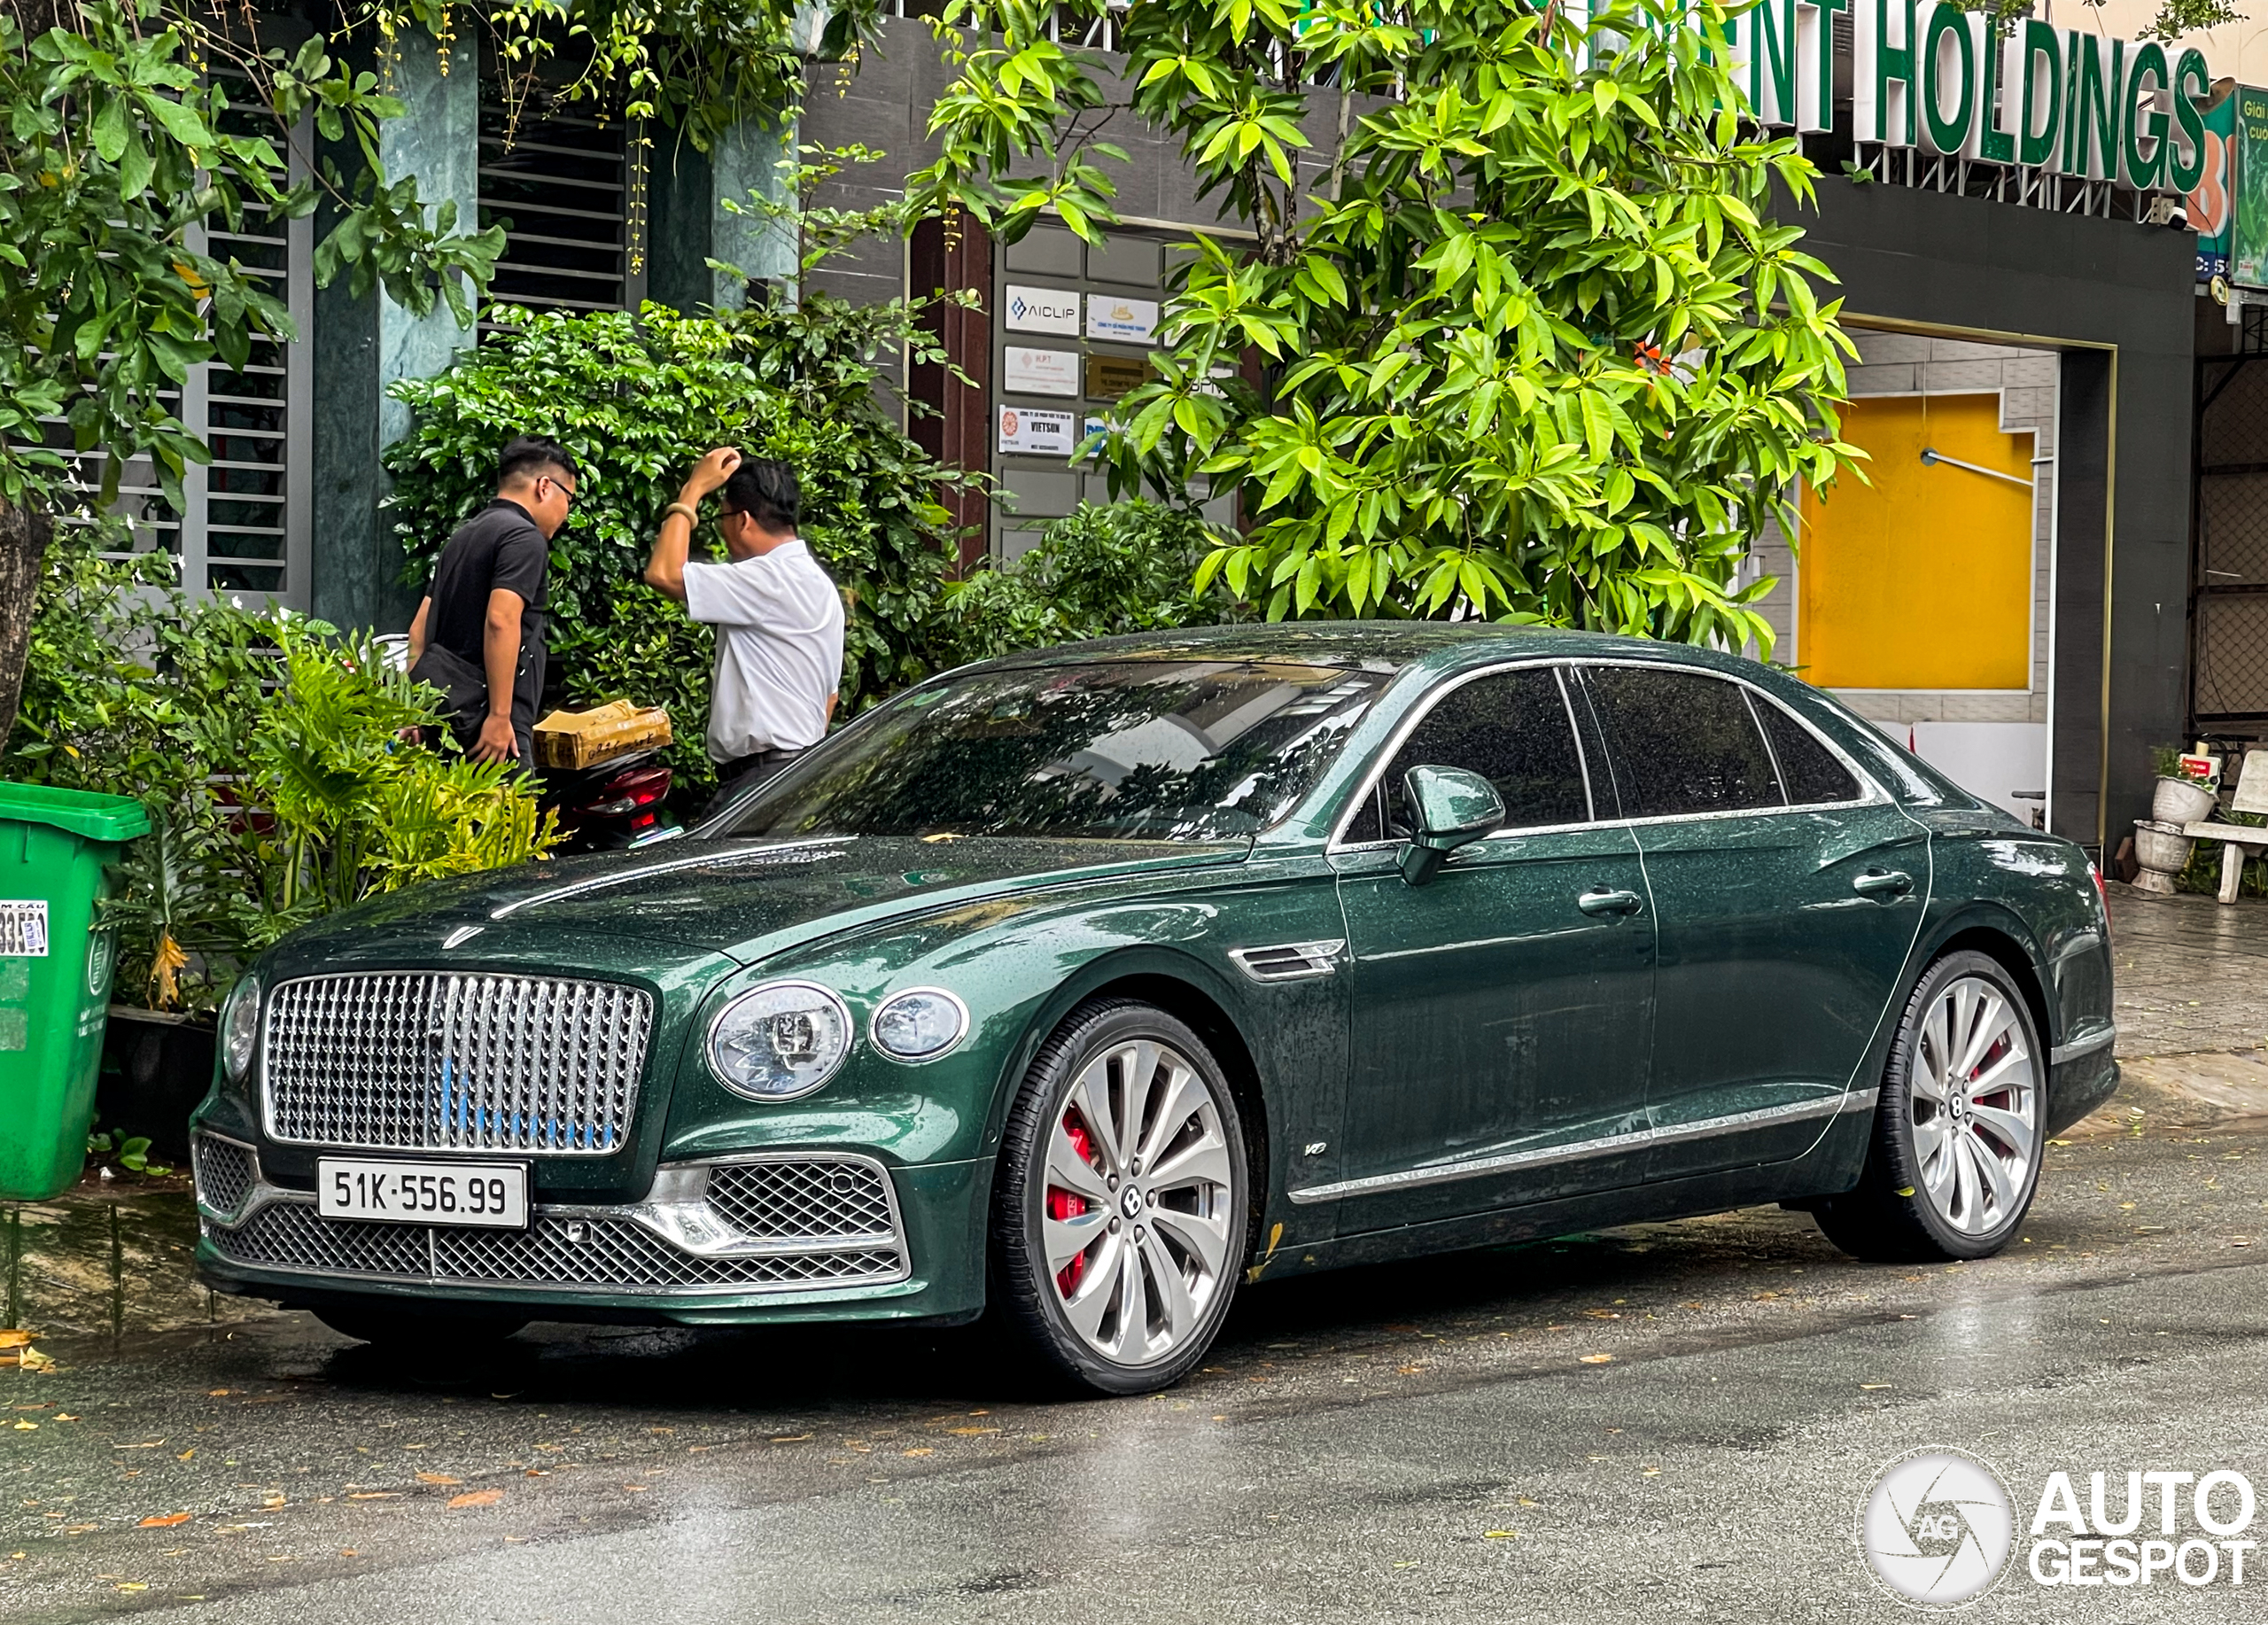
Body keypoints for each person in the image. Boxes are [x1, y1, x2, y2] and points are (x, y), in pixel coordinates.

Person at [643, 447, 845, 810]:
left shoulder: (769, 578)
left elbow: (663, 574)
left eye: (721, 518)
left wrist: (692, 490)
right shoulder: (820, 586)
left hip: (760, 779)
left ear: (743, 520)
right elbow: (829, 697)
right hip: (795, 772)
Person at [405, 437, 576, 774]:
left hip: (440, 714)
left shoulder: (463, 536)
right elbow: (501, 619)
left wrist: (413, 711)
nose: (567, 513)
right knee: (508, 825)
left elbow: (417, 631)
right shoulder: (523, 537)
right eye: (569, 498)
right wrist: (500, 716)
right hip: (490, 728)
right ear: (544, 487)